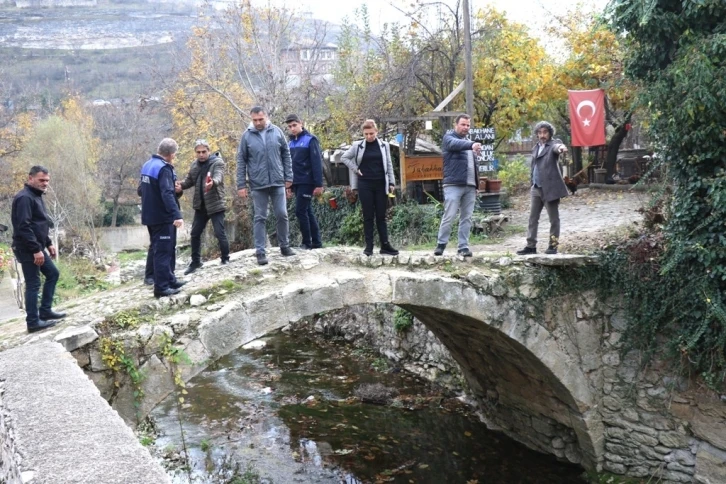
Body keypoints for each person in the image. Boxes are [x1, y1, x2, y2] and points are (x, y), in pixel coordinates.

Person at [11, 166, 65, 333]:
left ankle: (45, 311)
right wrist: (36, 250)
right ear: (31, 178)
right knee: (33, 283)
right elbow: (23, 227)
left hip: (38, 247)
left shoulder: (37, 196)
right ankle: (33, 322)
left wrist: (48, 243)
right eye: (41, 180)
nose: (45, 183)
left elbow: (40, 224)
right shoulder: (24, 198)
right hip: (27, 249)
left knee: (53, 274)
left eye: (47, 181)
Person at [341, 119, 399, 257]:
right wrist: (356, 169)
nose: (369, 136)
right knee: (368, 216)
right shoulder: (358, 145)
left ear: (377, 132)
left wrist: (391, 183)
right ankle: (369, 246)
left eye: (371, 133)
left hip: (380, 184)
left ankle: (385, 245)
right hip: (364, 184)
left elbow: (389, 165)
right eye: (366, 134)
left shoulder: (384, 146)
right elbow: (344, 157)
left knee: (381, 216)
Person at [139, 138, 186, 297]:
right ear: (172, 154)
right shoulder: (164, 168)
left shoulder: (147, 165)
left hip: (149, 215)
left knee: (164, 248)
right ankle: (161, 287)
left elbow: (141, 190)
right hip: (162, 216)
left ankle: (170, 279)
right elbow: (166, 193)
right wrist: (176, 215)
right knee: (163, 251)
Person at [516, 121, 569, 255]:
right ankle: (531, 246)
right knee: (533, 218)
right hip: (536, 188)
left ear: (550, 133)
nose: (542, 135)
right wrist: (531, 183)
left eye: (545, 132)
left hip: (550, 188)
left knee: (554, 219)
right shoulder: (535, 148)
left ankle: (553, 246)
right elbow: (533, 166)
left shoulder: (553, 145)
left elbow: (558, 147)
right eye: (540, 133)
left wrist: (562, 148)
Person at [433, 114, 482, 257]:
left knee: (466, 217)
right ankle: (441, 244)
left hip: (470, 186)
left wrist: (477, 185)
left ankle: (463, 247)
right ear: (456, 125)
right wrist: (471, 145)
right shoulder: (449, 138)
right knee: (449, 215)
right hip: (453, 184)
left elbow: (474, 166)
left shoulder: (469, 143)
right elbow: (456, 145)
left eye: (468, 125)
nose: (466, 127)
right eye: (463, 124)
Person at [178, 139, 230, 274]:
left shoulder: (217, 162)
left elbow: (219, 176)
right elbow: (189, 181)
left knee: (219, 232)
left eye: (203, 152)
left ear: (209, 151)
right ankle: (195, 262)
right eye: (198, 152)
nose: (201, 154)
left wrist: (213, 182)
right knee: (195, 233)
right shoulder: (194, 165)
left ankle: (225, 258)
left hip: (216, 203)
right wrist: (180, 186)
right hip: (200, 205)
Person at [285, 114, 324, 250]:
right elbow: (289, 165)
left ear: (300, 123)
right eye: (290, 126)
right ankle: (317, 242)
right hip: (296, 182)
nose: (292, 128)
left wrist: (319, 184)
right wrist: (288, 184)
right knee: (307, 211)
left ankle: (307, 242)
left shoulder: (310, 140)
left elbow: (317, 163)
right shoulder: (290, 143)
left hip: (307, 181)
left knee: (300, 211)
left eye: (294, 125)